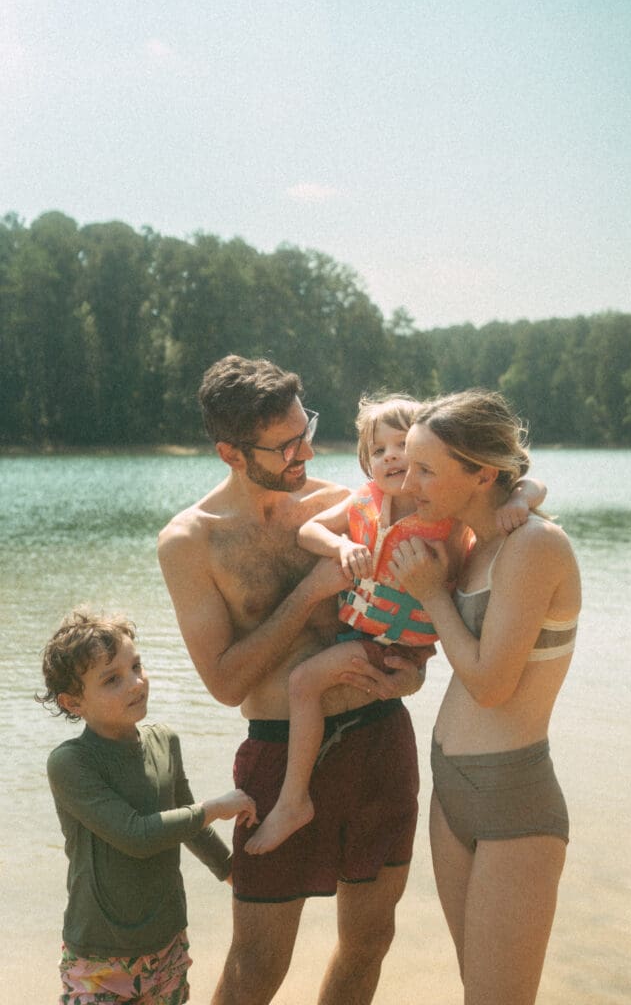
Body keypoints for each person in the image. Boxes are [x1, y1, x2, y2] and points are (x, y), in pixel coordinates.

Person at [157, 357, 425, 1005]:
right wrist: (309, 592)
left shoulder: (347, 504)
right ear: (231, 451)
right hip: (277, 760)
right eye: (285, 445)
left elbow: (416, 620)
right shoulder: (191, 541)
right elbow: (223, 682)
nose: (305, 450)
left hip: (379, 741)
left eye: (305, 429)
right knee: (255, 968)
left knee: (368, 944)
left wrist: (405, 680)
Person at [245, 393, 546, 855]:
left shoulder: (443, 513)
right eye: (378, 448)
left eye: (403, 446)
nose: (390, 457)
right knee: (304, 683)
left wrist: (521, 500)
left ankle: (292, 801)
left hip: (395, 645)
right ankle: (298, 795)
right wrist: (341, 547)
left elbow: (523, 481)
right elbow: (310, 531)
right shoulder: (366, 500)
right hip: (364, 632)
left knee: (303, 682)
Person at [387, 389, 581, 1005]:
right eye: (408, 463)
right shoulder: (476, 545)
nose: (407, 479)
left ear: (481, 475)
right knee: (478, 990)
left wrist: (431, 595)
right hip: (453, 793)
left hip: (512, 801)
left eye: (425, 470)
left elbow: (492, 687)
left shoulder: (535, 547)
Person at [38, 607, 257, 1005]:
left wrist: (233, 873)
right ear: (73, 703)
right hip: (97, 958)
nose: (135, 683)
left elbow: (190, 827)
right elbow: (135, 834)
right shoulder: (71, 763)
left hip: (166, 947)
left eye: (136, 666)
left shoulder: (165, 741)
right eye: (112, 680)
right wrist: (216, 807)